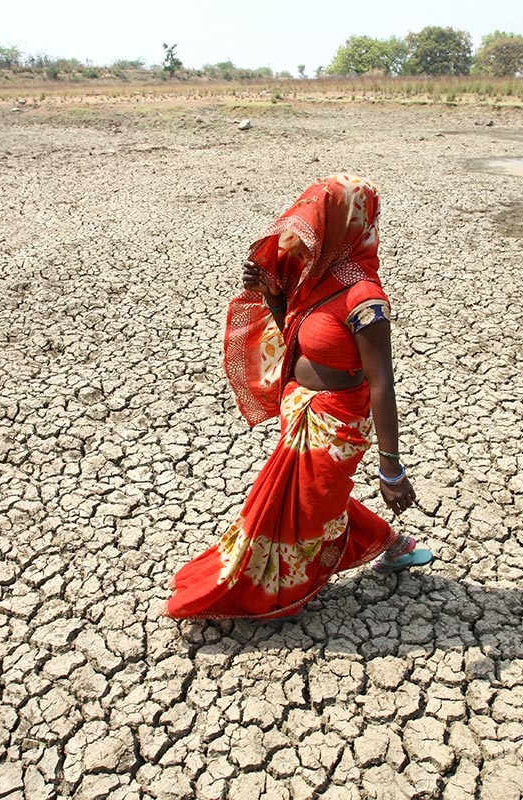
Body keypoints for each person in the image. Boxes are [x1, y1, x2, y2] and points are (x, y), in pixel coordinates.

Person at [165, 174, 431, 621]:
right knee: (310, 496)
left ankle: (269, 589)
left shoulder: (365, 297)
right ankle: (393, 544)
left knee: (306, 505)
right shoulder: (317, 279)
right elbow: (292, 334)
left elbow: (382, 384)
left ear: (344, 227)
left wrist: (391, 467)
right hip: (300, 409)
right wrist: (272, 293)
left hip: (336, 420)